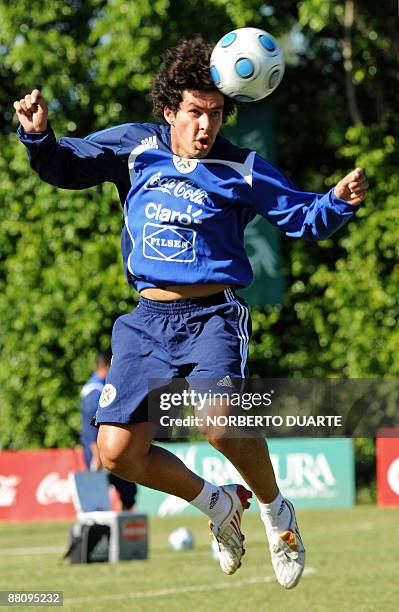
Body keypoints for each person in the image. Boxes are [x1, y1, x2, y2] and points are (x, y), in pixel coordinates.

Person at [14, 36, 368, 589]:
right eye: (196, 114)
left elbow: (303, 216)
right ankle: (220, 504)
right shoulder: (134, 148)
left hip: (212, 318)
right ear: (168, 110)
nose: (207, 126)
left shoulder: (242, 167)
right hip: (145, 321)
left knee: (219, 423)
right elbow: (65, 164)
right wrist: (37, 136)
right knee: (115, 453)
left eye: (217, 113)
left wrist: (338, 201)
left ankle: (278, 514)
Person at [80, 351, 137, 511]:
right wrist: (96, 456)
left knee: (127, 492)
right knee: (100, 501)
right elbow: (90, 427)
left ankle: (122, 529)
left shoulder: (97, 387)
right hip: (99, 453)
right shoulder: (95, 391)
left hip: (106, 450)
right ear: (106, 366)